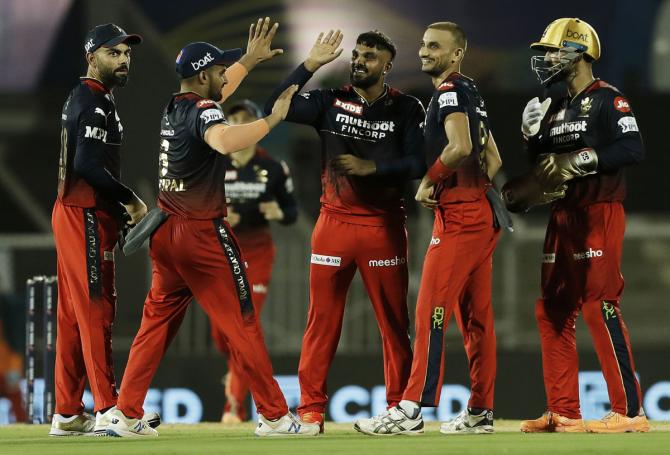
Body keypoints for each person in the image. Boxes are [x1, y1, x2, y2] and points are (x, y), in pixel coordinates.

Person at [106, 18, 319, 438]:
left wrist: (251, 60)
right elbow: (222, 140)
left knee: (155, 324)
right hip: (202, 234)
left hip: (165, 233)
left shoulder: (176, 103)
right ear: (203, 75)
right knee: (243, 324)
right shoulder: (204, 110)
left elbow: (217, 93)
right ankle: (275, 416)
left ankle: (125, 412)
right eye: (220, 70)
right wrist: (272, 120)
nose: (227, 75)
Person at [264, 30, 426, 432]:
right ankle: (312, 412)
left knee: (393, 324)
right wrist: (309, 66)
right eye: (357, 54)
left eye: (370, 56)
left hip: (382, 227)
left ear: (387, 65)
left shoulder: (406, 107)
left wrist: (374, 169)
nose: (360, 60)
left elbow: (419, 163)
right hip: (332, 225)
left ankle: (398, 408)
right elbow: (275, 107)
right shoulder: (328, 101)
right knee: (321, 322)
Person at [354, 21, 503, 436]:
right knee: (476, 319)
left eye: (434, 46)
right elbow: (493, 157)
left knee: (429, 310)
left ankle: (411, 408)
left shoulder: (451, 91)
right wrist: (475, 192)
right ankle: (480, 412)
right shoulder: (470, 90)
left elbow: (461, 147)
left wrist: (431, 181)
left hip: (459, 217)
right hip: (478, 213)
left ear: (456, 54)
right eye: (422, 45)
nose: (424, 51)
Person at [508, 17, 648, 434]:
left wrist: (580, 159)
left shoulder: (608, 99)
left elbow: (632, 148)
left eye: (553, 50)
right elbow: (544, 173)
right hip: (563, 216)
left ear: (578, 52)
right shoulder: (553, 105)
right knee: (551, 310)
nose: (546, 59)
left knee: (599, 304)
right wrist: (531, 138)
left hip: (599, 212)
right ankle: (564, 411)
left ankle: (630, 412)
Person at [50, 23, 150, 436]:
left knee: (74, 317)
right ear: (92, 57)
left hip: (76, 212)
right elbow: (87, 166)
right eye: (114, 53)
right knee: (96, 310)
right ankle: (110, 409)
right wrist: (130, 198)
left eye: (126, 53)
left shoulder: (94, 98)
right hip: (84, 214)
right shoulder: (93, 101)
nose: (123, 60)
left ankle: (69, 413)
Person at [211, 99, 298, 423]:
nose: (239, 126)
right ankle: (236, 370)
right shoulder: (214, 165)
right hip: (220, 253)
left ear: (257, 127)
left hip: (258, 252)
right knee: (222, 333)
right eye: (233, 121)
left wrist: (279, 213)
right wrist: (219, 219)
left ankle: (232, 407)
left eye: (245, 121)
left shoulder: (274, 168)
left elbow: (291, 211)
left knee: (244, 327)